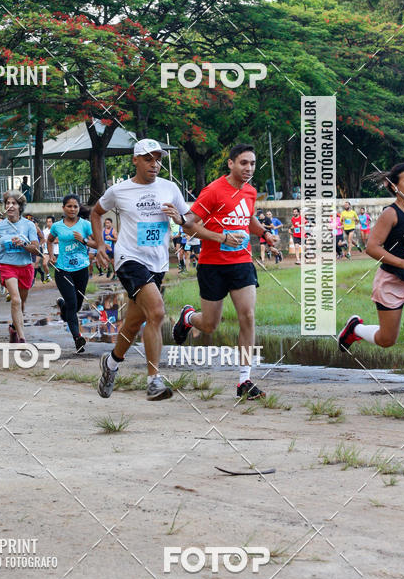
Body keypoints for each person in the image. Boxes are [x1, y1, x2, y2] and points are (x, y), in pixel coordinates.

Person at [92, 138, 195, 402]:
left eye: (158, 158)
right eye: (148, 158)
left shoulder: (170, 188)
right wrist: (102, 245)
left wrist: (180, 219)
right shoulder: (119, 190)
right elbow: (95, 212)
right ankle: (153, 381)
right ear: (135, 160)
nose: (154, 163)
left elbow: (191, 220)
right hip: (129, 259)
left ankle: (111, 364)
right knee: (158, 312)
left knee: (134, 321)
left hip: (158, 262)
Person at [171, 143, 276, 400]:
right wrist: (221, 237)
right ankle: (188, 318)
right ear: (230, 164)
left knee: (248, 316)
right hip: (212, 265)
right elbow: (189, 227)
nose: (248, 168)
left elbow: (247, 217)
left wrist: (263, 232)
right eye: (243, 163)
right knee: (209, 325)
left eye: (252, 163)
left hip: (241, 263)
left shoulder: (250, 192)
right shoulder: (213, 191)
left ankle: (245, 380)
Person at [338, 164, 404, 354]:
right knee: (387, 339)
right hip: (392, 280)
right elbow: (372, 247)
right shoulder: (391, 214)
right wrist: (403, 263)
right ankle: (355, 329)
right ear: (395, 187)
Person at [0, 192, 39, 343]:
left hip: (25, 266)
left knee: (22, 301)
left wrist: (24, 245)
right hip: (8, 266)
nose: (10, 206)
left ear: (20, 207)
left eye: (13, 203)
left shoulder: (28, 225)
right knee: (15, 300)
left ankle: (14, 328)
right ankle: (22, 338)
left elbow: (36, 249)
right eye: (7, 203)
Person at [48, 194, 96, 353]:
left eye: (75, 206)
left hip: (82, 269)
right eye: (69, 206)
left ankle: (63, 307)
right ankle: (77, 338)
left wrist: (83, 240)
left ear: (78, 208)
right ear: (63, 208)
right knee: (73, 303)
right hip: (63, 270)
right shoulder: (57, 226)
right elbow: (49, 239)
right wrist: (51, 255)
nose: (72, 209)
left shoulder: (86, 225)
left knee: (75, 306)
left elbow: (97, 242)